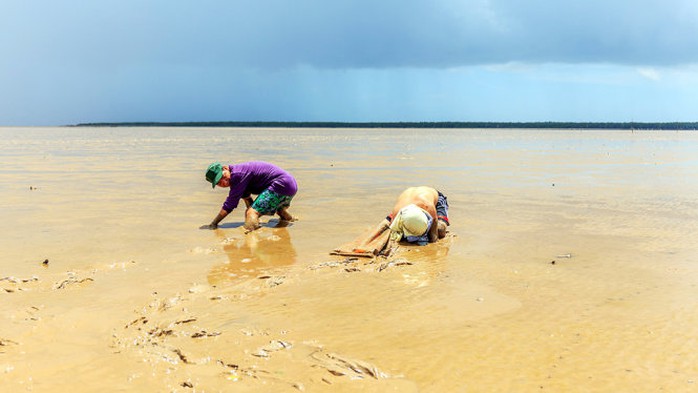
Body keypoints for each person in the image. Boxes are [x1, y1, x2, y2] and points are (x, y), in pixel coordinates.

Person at [200, 161, 298, 231]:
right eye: (219, 183)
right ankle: (288, 218)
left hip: (281, 184)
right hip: (290, 185)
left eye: (223, 177)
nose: (224, 182)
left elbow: (229, 205)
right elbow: (248, 199)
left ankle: (252, 237)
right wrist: (255, 215)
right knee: (276, 209)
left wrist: (214, 223)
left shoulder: (237, 175)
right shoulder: (240, 177)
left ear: (225, 168)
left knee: (251, 212)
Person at [365, 186, 449, 249]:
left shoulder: (428, 206)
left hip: (434, 197)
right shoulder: (396, 211)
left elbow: (434, 236)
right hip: (406, 205)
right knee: (389, 226)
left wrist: (433, 245)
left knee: (440, 230)